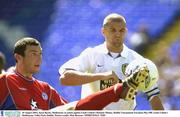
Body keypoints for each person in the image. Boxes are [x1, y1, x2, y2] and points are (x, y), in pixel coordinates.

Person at [0, 37, 149, 110]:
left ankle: (120, 89)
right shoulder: (6, 80)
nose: (39, 58)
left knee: (73, 109)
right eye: (33, 54)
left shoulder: (45, 89)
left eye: (40, 54)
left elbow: (74, 110)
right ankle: (118, 90)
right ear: (18, 57)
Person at [59, 13, 164, 110]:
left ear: (126, 32)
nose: (118, 34)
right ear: (103, 32)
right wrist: (102, 76)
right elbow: (65, 78)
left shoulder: (138, 61)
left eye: (121, 30)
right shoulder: (91, 54)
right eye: (113, 30)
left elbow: (153, 95)